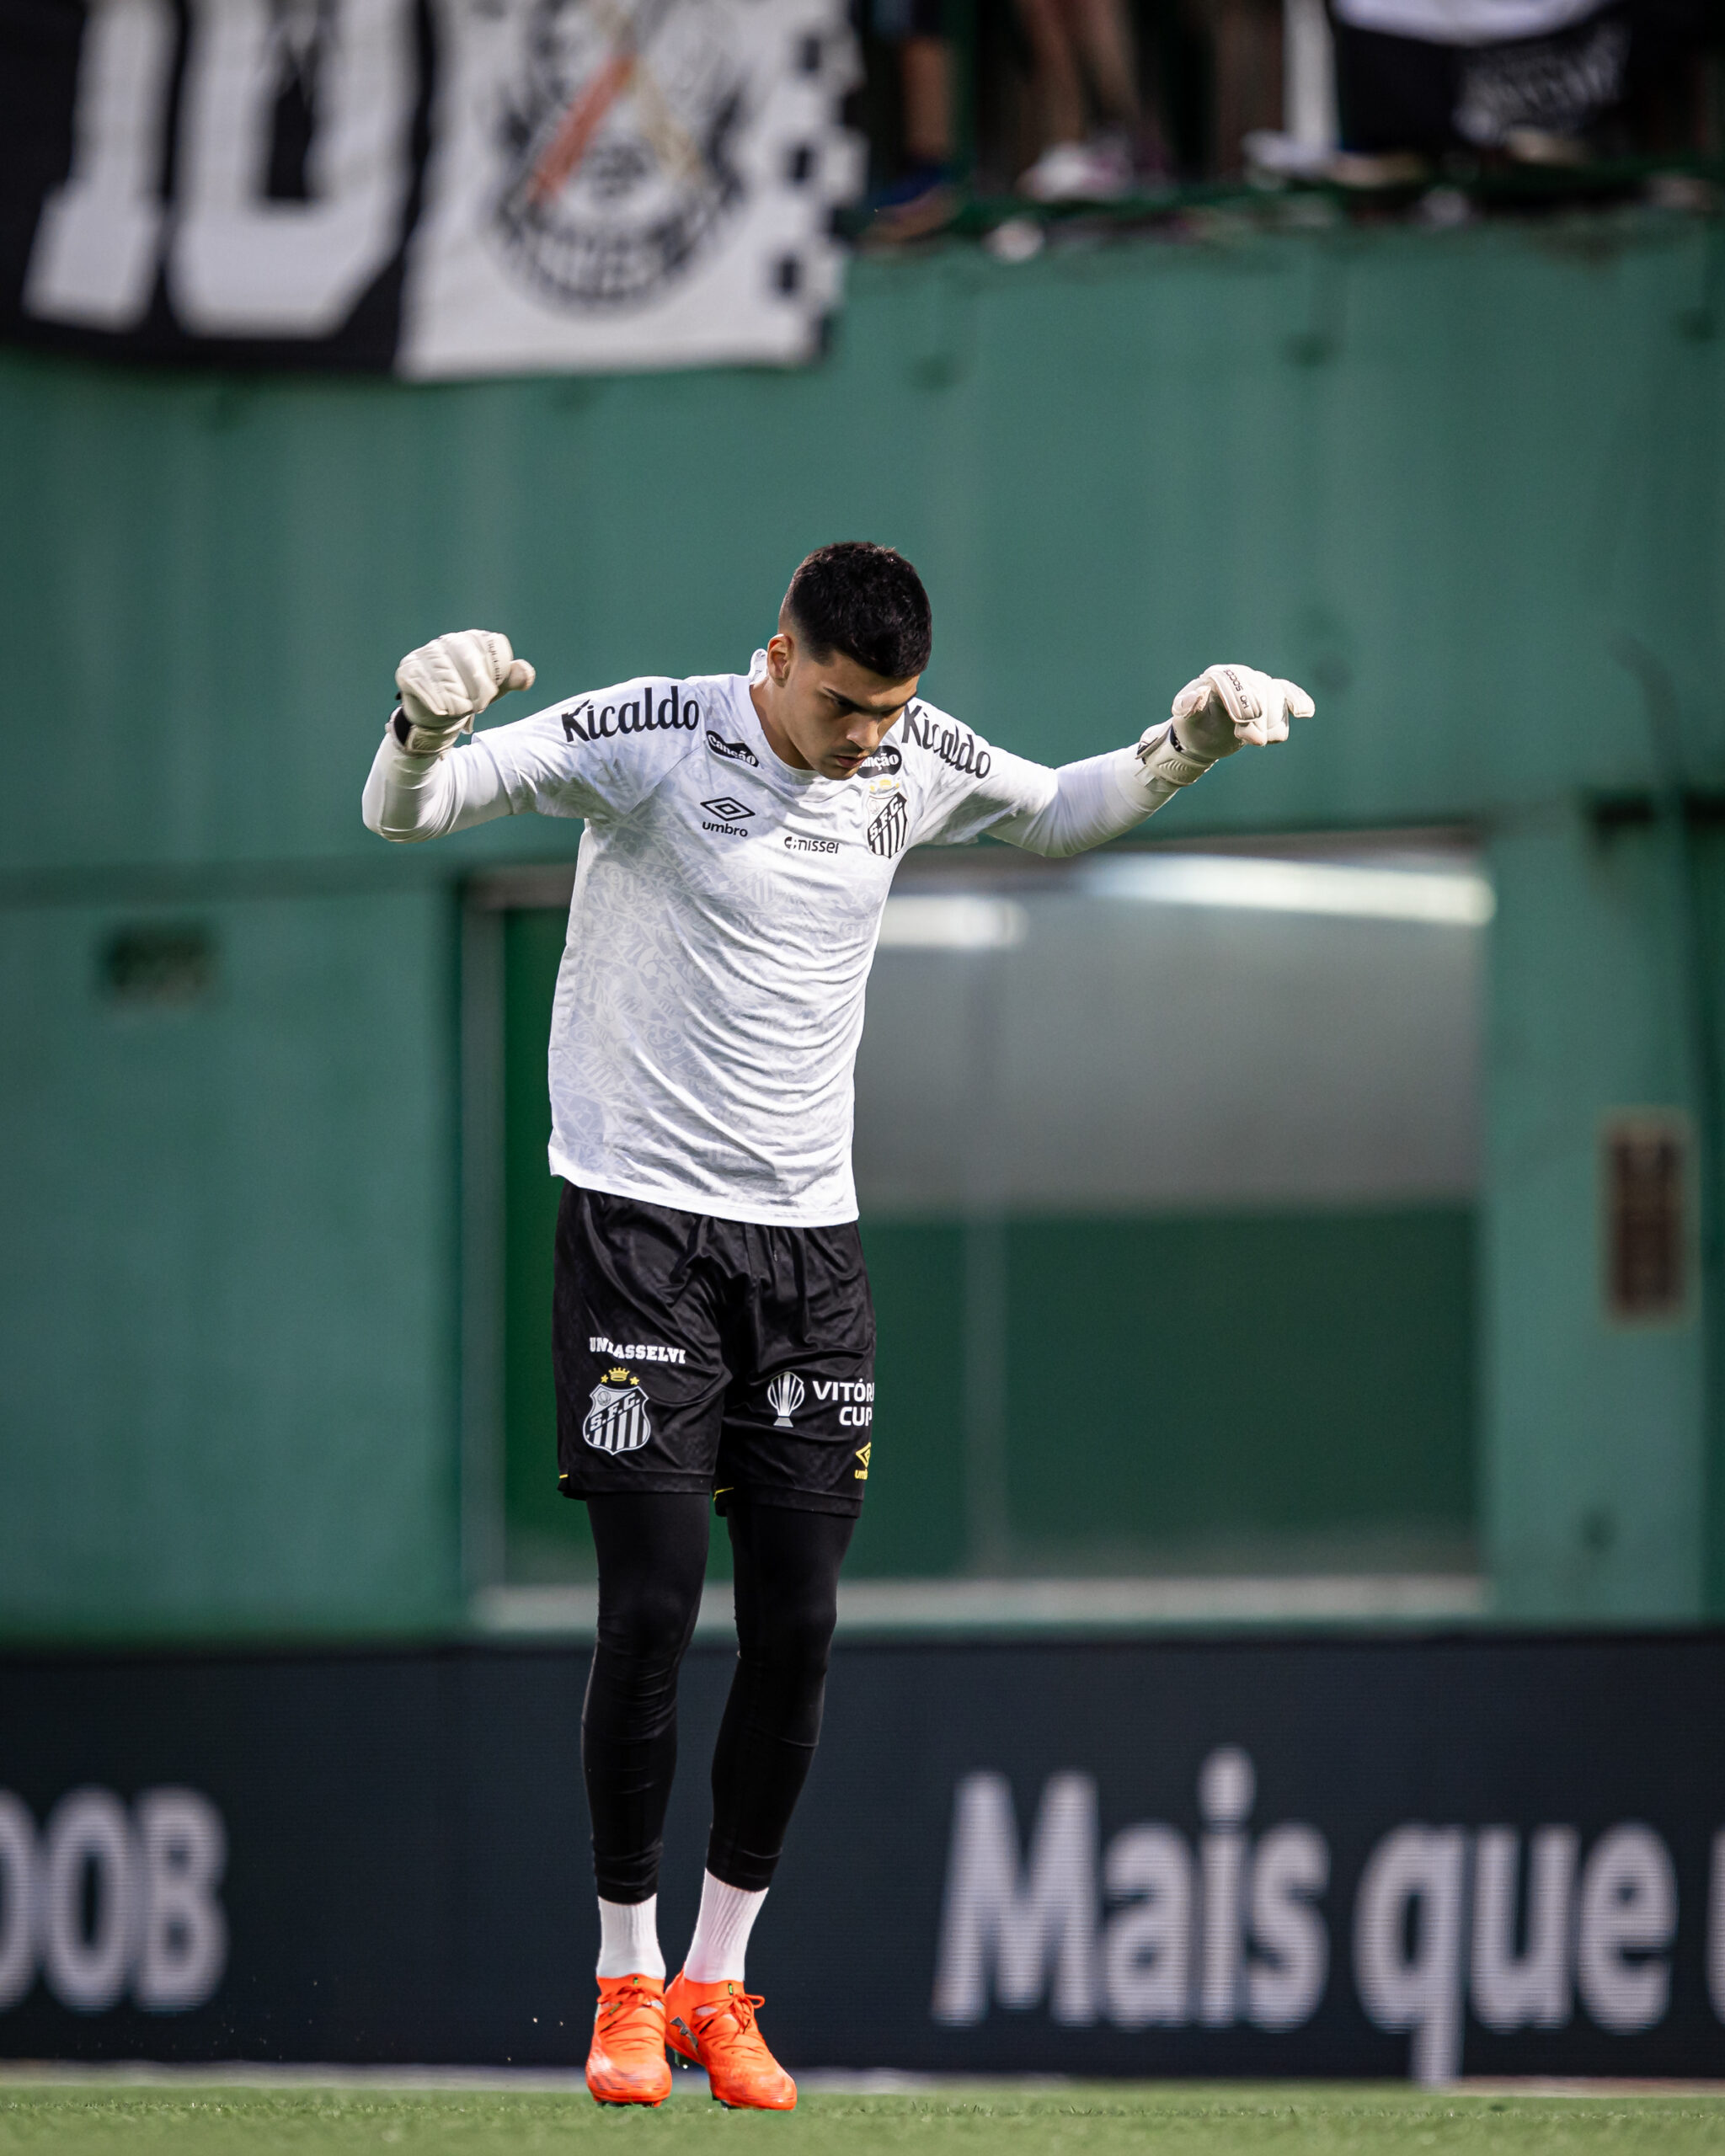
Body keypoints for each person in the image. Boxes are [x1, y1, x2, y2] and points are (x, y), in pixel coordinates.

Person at [360, 543, 1311, 2110]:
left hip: (812, 1253)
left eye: (897, 709)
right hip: (642, 1232)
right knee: (656, 1608)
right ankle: (622, 1975)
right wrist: (417, 726)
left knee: (799, 1629)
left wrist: (1185, 740)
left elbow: (1059, 805)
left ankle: (720, 1985)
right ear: (781, 654)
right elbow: (411, 816)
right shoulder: (653, 735)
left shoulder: (911, 757)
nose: (875, 736)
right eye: (851, 703)